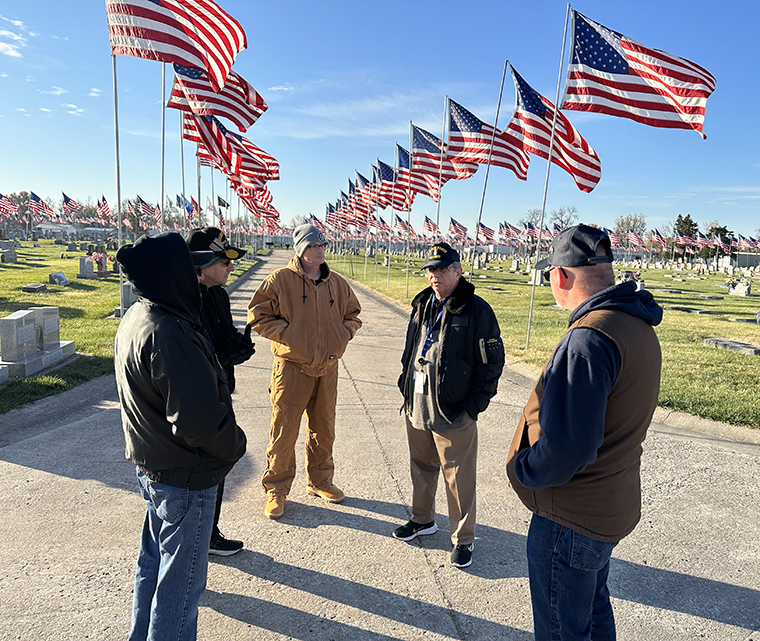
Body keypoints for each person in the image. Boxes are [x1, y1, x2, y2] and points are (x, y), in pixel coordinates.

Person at [506, 225, 663, 640]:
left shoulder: (589, 339)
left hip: (570, 515)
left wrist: (523, 469)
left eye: (548, 276)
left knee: (561, 629)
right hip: (607, 503)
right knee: (592, 613)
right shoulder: (634, 322)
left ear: (560, 276)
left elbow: (569, 446)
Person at [114, 232, 247, 641]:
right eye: (190, 269)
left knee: (152, 569)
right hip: (184, 476)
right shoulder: (169, 330)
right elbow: (198, 420)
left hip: (155, 466)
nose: (196, 277)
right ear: (173, 275)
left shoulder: (138, 315)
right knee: (181, 588)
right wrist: (236, 444)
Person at [395, 242, 504, 568]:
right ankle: (423, 519)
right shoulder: (422, 303)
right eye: (431, 269)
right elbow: (412, 347)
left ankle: (463, 539)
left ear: (458, 270)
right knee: (422, 467)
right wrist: (405, 384)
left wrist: (473, 406)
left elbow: (492, 363)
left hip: (454, 409)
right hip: (418, 403)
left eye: (442, 269)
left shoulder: (476, 310)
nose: (435, 275)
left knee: (458, 477)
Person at [247, 224, 362, 519]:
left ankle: (321, 480)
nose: (320, 250)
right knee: (284, 429)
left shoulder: (336, 283)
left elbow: (353, 314)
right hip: (292, 367)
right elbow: (258, 316)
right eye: (314, 246)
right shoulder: (280, 280)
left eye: (322, 245)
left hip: (328, 367)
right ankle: (276, 488)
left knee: (323, 426)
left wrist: (342, 334)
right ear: (300, 249)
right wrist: (290, 335)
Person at [185, 227, 256, 556]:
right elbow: (192, 355)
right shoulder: (186, 299)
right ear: (202, 263)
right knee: (197, 469)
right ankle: (195, 538)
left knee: (219, 464)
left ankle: (209, 533)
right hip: (197, 400)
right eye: (224, 261)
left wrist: (237, 348)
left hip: (222, 391)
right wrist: (220, 355)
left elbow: (223, 338)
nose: (230, 267)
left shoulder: (219, 295)